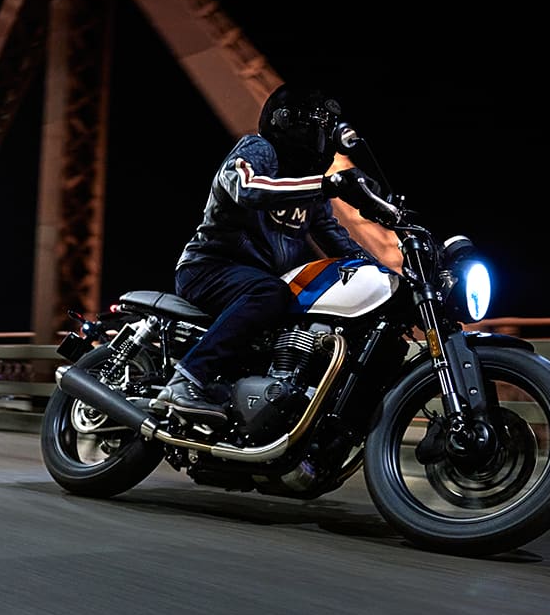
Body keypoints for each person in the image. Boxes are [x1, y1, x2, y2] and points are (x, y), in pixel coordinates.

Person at [156, 83, 389, 424]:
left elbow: (336, 238)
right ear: (288, 121)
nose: (324, 135)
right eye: (317, 124)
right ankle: (185, 380)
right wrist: (327, 184)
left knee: (300, 311)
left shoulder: (309, 186)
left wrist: (388, 277)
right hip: (209, 267)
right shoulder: (258, 149)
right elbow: (248, 188)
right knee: (271, 292)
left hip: (254, 282)